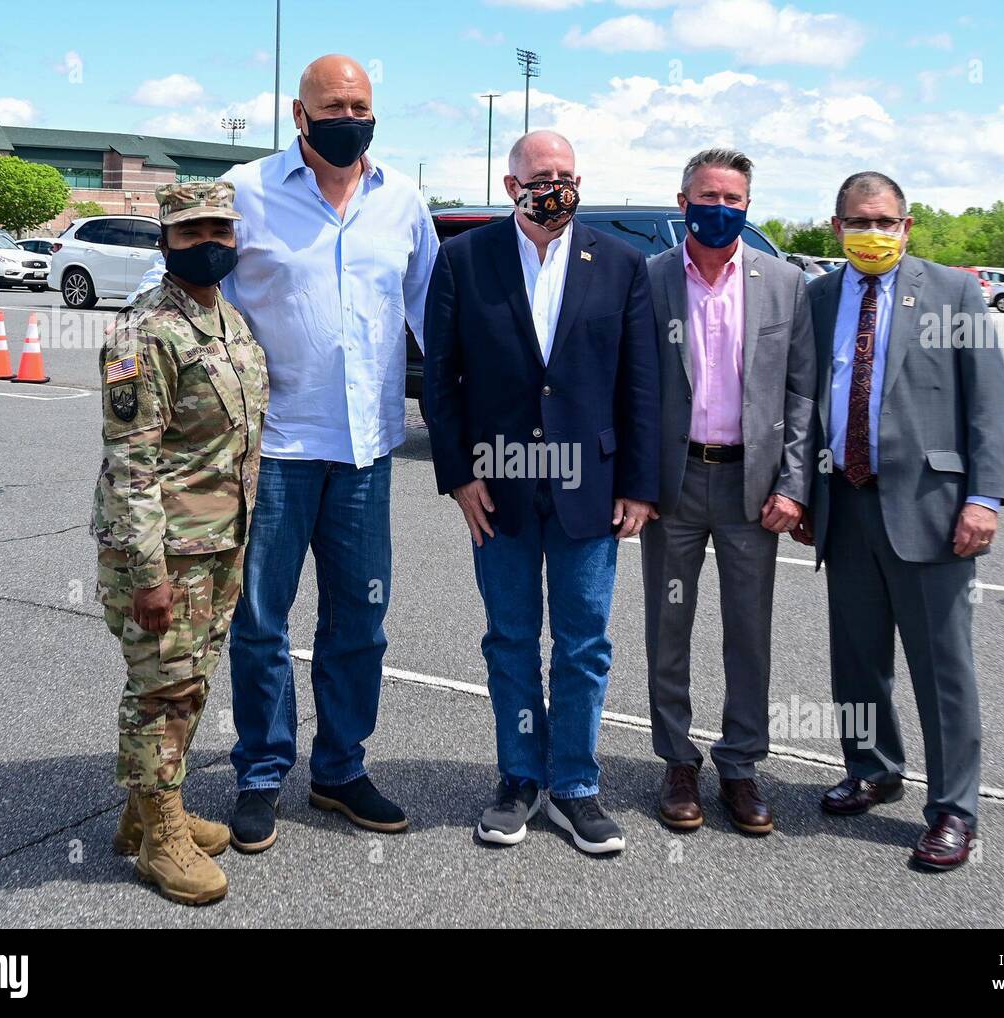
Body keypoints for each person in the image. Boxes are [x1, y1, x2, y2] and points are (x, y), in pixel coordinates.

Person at [130, 54, 439, 851]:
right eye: (332, 105)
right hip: (271, 451)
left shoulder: (402, 202)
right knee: (261, 621)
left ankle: (339, 769)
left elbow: (433, 316)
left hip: (367, 452)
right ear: (298, 116)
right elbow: (198, 296)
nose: (349, 116)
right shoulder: (248, 192)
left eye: (361, 103)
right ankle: (262, 771)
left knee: (360, 622)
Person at [423, 131, 660, 855]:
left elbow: (641, 384)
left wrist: (640, 486)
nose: (553, 185)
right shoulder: (464, 260)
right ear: (510, 184)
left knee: (584, 644)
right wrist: (458, 475)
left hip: (591, 487)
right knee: (512, 640)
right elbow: (442, 380)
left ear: (579, 180)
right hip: (499, 488)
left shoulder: (620, 265)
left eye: (564, 174)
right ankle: (520, 779)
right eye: (539, 175)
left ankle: (577, 788)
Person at [796, 171, 1004, 871]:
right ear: (837, 227)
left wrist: (984, 498)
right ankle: (873, 768)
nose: (873, 233)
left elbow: (988, 405)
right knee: (857, 662)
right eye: (860, 221)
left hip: (932, 510)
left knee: (942, 669)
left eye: (886, 221)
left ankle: (954, 809)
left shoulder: (953, 293)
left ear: (907, 226)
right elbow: (804, 401)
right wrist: (798, 489)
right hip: (845, 504)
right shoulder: (819, 294)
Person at [93, 180, 268, 904]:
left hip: (218, 540)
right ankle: (159, 838)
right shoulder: (144, 332)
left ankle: (147, 811)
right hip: (164, 552)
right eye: (192, 234)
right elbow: (132, 465)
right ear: (165, 241)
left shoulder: (227, 319)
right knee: (160, 690)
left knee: (189, 684)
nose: (210, 245)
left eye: (219, 232)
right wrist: (148, 574)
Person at [641, 148, 816, 835]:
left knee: (749, 632)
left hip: (754, 485)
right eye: (708, 196)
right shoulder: (651, 278)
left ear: (748, 206)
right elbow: (634, 389)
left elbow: (802, 392)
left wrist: (795, 484)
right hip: (675, 483)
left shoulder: (784, 282)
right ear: (682, 202)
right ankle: (677, 761)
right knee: (668, 628)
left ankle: (740, 766)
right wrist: (636, 484)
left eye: (734, 200)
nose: (721, 209)